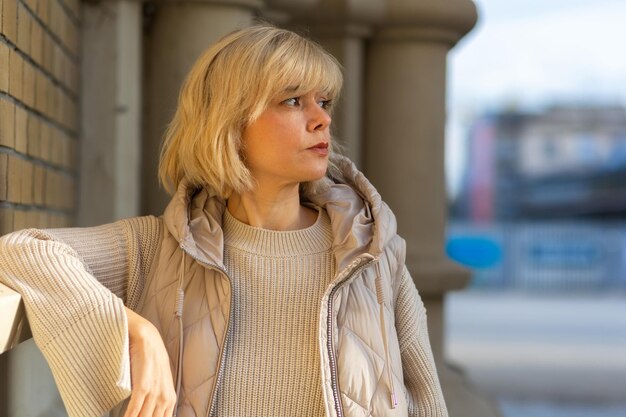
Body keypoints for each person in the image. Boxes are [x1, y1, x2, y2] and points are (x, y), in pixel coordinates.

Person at [0, 25, 448, 417]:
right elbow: (23, 250)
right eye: (293, 100)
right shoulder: (157, 247)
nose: (322, 119)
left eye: (324, 101)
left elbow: (426, 403)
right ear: (229, 122)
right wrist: (133, 328)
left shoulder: (371, 251)